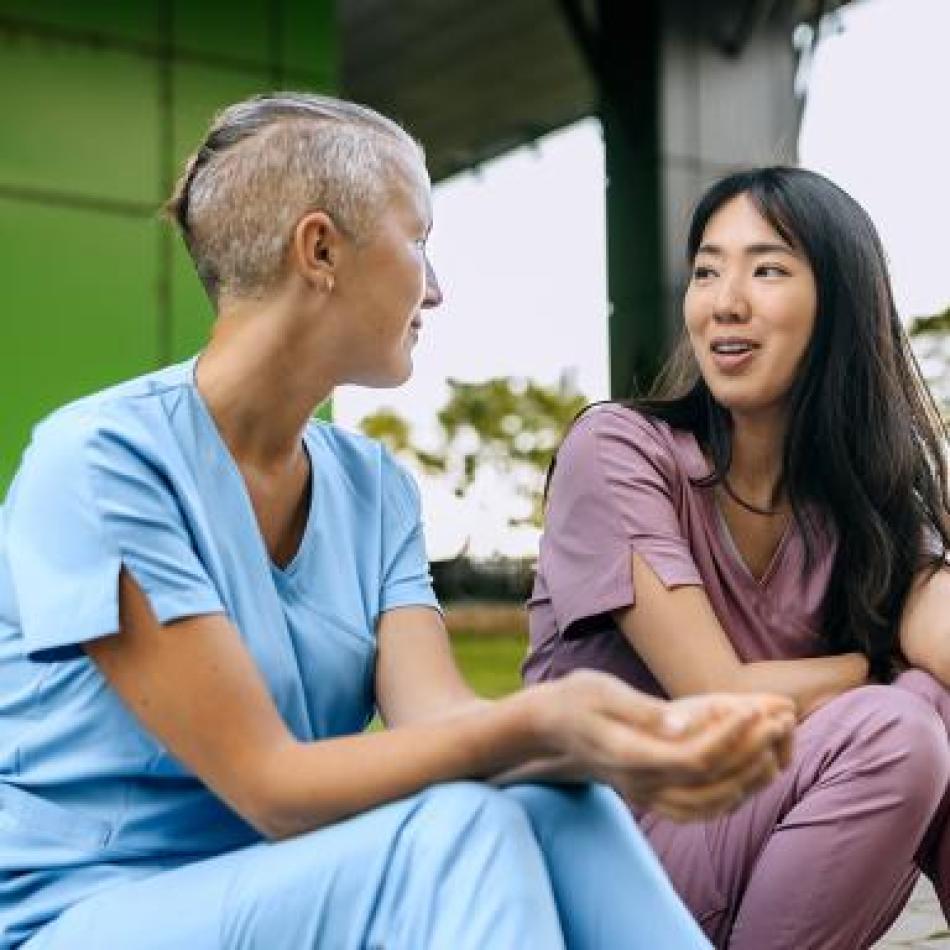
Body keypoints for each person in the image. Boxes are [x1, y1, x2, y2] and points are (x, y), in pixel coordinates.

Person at [0, 94, 794, 950]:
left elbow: (439, 721)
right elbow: (270, 784)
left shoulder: (373, 485)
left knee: (549, 794)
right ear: (320, 250)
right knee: (464, 832)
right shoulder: (100, 463)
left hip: (291, 880)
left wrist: (605, 740)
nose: (439, 287)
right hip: (87, 913)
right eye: (418, 239)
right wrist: (548, 718)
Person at [524, 165, 950, 949]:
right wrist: (865, 668)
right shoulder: (619, 449)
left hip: (761, 851)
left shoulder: (861, 494)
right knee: (898, 724)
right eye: (707, 271)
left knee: (935, 702)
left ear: (839, 307)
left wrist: (898, 664)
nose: (724, 301)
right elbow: (714, 692)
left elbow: (938, 640)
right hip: (606, 863)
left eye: (767, 269)